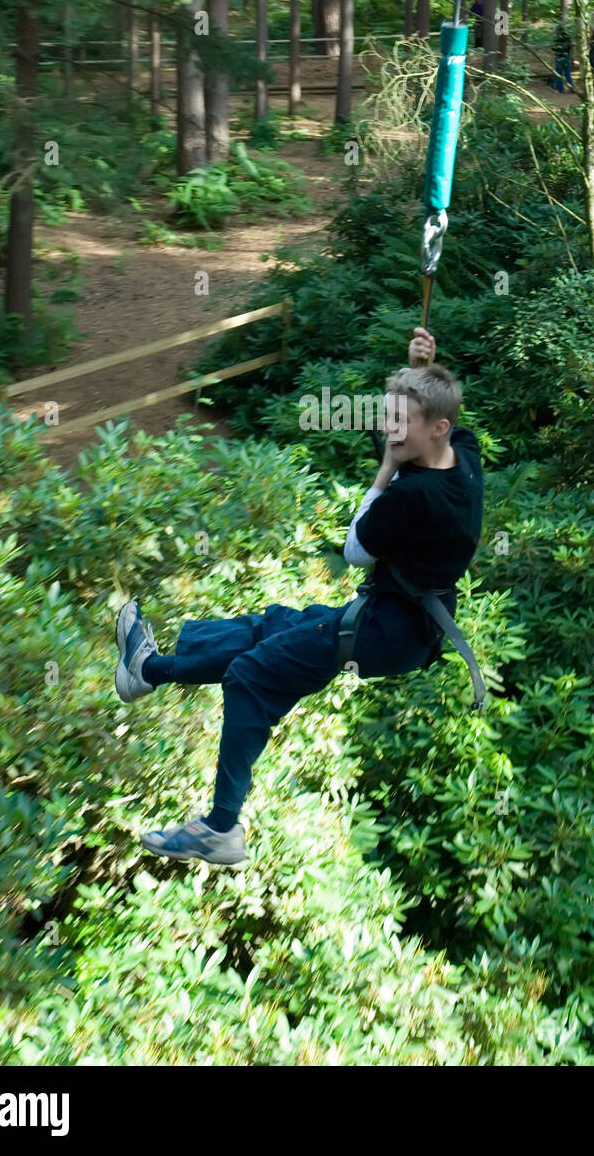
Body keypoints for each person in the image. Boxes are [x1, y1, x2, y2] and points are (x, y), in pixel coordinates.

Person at [114, 326, 485, 867]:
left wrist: (386, 468)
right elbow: (443, 412)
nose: (388, 429)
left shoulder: (413, 496)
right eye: (388, 417)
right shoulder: (465, 457)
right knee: (275, 627)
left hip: (388, 628)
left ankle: (220, 828)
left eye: (399, 423)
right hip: (404, 624)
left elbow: (357, 551)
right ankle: (147, 671)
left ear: (436, 428)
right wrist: (421, 367)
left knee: (251, 675)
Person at [552, 21, 575, 93]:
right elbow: (570, 47)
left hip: (559, 57)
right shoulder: (568, 37)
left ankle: (560, 89)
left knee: (559, 74)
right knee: (567, 73)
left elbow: (554, 48)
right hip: (566, 57)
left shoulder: (558, 38)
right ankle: (572, 88)